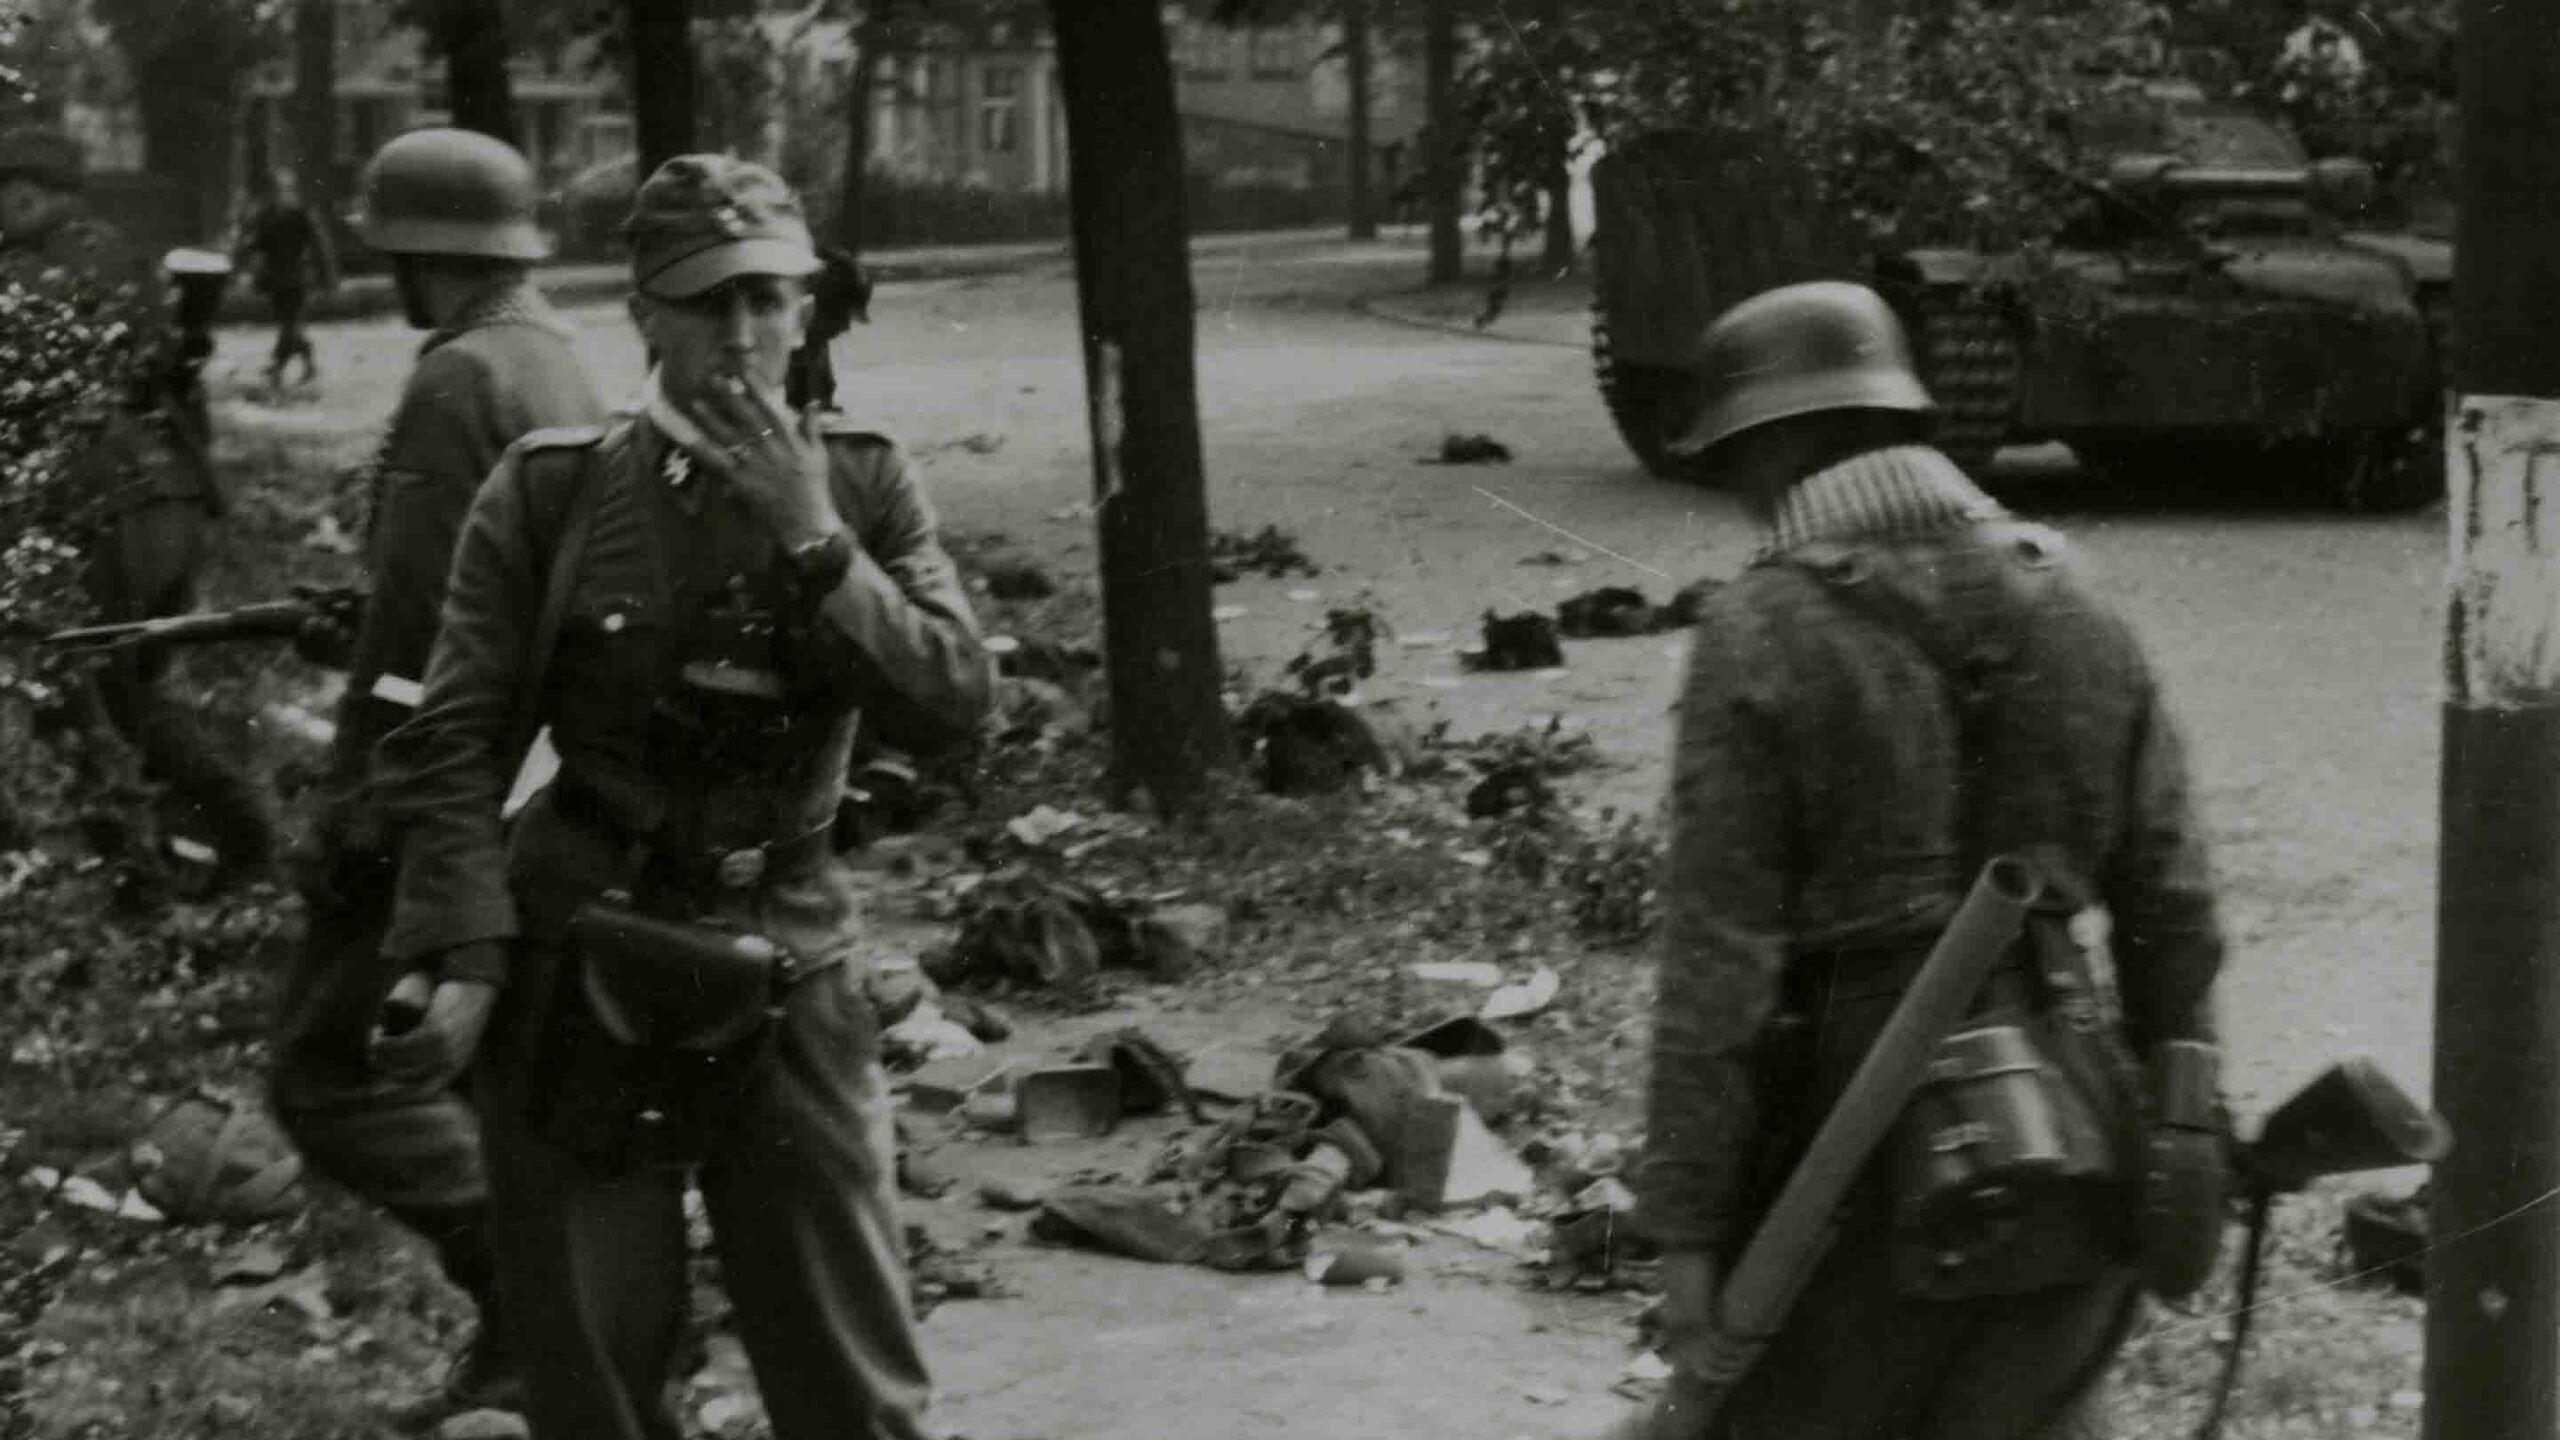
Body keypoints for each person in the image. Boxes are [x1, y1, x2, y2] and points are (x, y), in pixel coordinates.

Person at [366, 153, 994, 1440]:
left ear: (805, 311)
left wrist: (817, 542)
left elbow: (953, 705)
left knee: (851, 1373)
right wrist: (466, 954)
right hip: (584, 946)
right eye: (709, 302)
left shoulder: (863, 481)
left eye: (769, 298)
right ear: (645, 312)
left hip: (789, 946)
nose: (743, 333)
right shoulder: (552, 489)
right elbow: (457, 738)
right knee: (593, 1372)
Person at [1630, 281, 2226, 1439]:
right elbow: (2174, 907)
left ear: (1774, 447)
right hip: (2071, 1133)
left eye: (1734, 465)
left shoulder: (1760, 629)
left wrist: (1686, 1232)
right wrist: (2185, 1131)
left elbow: (1717, 966)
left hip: (1837, 1164)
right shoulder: (2073, 597)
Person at [266, 127, 605, 1417]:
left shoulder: (457, 378)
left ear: (419, 250)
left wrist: (360, 809)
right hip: (531, 777)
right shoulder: (550, 357)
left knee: (327, 1074)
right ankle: (557, 1345)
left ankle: (538, 1305)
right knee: (478, 1077)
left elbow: (418, 632)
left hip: (445, 790)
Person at [0, 124, 272, 876]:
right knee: (132, 688)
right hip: (171, 498)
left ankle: (136, 873)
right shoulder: (124, 257)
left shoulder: (19, 278)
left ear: (24, 195)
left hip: (95, 508)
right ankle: (236, 836)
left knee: (69, 690)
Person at [233, 169, 338, 389]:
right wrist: (244, 250)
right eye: (276, 190)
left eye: (285, 190)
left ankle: (276, 366)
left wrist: (328, 276)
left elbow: (320, 246)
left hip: (298, 278)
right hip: (275, 279)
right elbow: (256, 244)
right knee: (289, 325)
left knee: (290, 325)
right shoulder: (265, 216)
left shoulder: (301, 214)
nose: (280, 194)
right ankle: (309, 365)